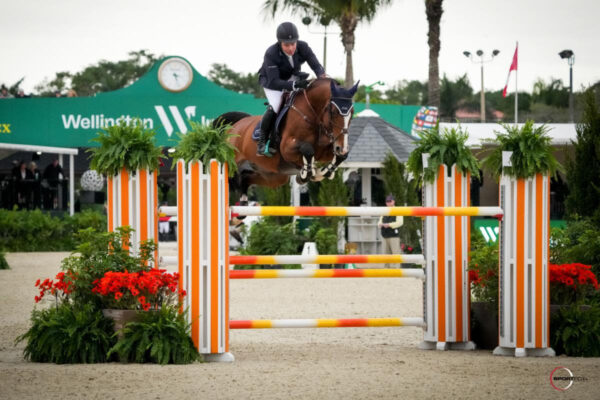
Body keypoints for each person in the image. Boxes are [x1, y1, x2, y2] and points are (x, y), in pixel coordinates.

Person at [256, 21, 326, 156]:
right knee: (276, 105)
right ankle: (262, 142)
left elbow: (316, 65)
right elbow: (275, 81)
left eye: (293, 43)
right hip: (271, 82)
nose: (291, 48)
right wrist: (294, 85)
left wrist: (322, 76)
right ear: (279, 43)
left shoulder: (303, 47)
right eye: (286, 45)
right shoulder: (271, 53)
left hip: (291, 77)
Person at [378, 194, 403, 268]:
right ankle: (386, 270)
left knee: (395, 254)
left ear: (393, 202)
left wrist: (389, 225)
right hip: (384, 235)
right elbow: (379, 221)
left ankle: (396, 269)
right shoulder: (384, 211)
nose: (388, 203)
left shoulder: (398, 210)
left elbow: (400, 222)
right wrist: (380, 224)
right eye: (387, 201)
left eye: (390, 201)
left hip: (394, 236)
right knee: (385, 254)